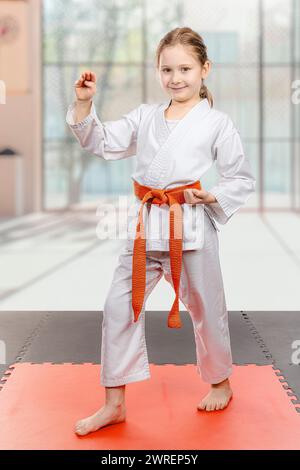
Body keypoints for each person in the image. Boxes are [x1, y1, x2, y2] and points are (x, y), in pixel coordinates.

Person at [66, 26, 256, 436]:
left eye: (185, 68)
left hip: (191, 226)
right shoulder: (145, 116)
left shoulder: (217, 123)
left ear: (205, 69)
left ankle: (220, 383)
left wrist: (214, 197)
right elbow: (101, 141)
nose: (176, 77)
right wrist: (84, 105)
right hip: (145, 226)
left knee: (206, 308)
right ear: (158, 72)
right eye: (167, 69)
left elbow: (240, 176)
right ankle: (113, 403)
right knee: (119, 307)